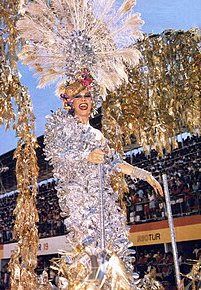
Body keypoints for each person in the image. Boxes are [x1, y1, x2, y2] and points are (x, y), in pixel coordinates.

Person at [44, 75, 163, 288]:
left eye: (87, 95)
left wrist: (145, 175)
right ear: (68, 101)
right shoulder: (62, 129)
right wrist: (85, 156)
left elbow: (116, 163)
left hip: (103, 205)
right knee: (91, 259)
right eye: (77, 95)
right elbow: (57, 155)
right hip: (81, 206)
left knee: (113, 256)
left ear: (93, 100)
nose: (83, 99)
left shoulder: (98, 135)